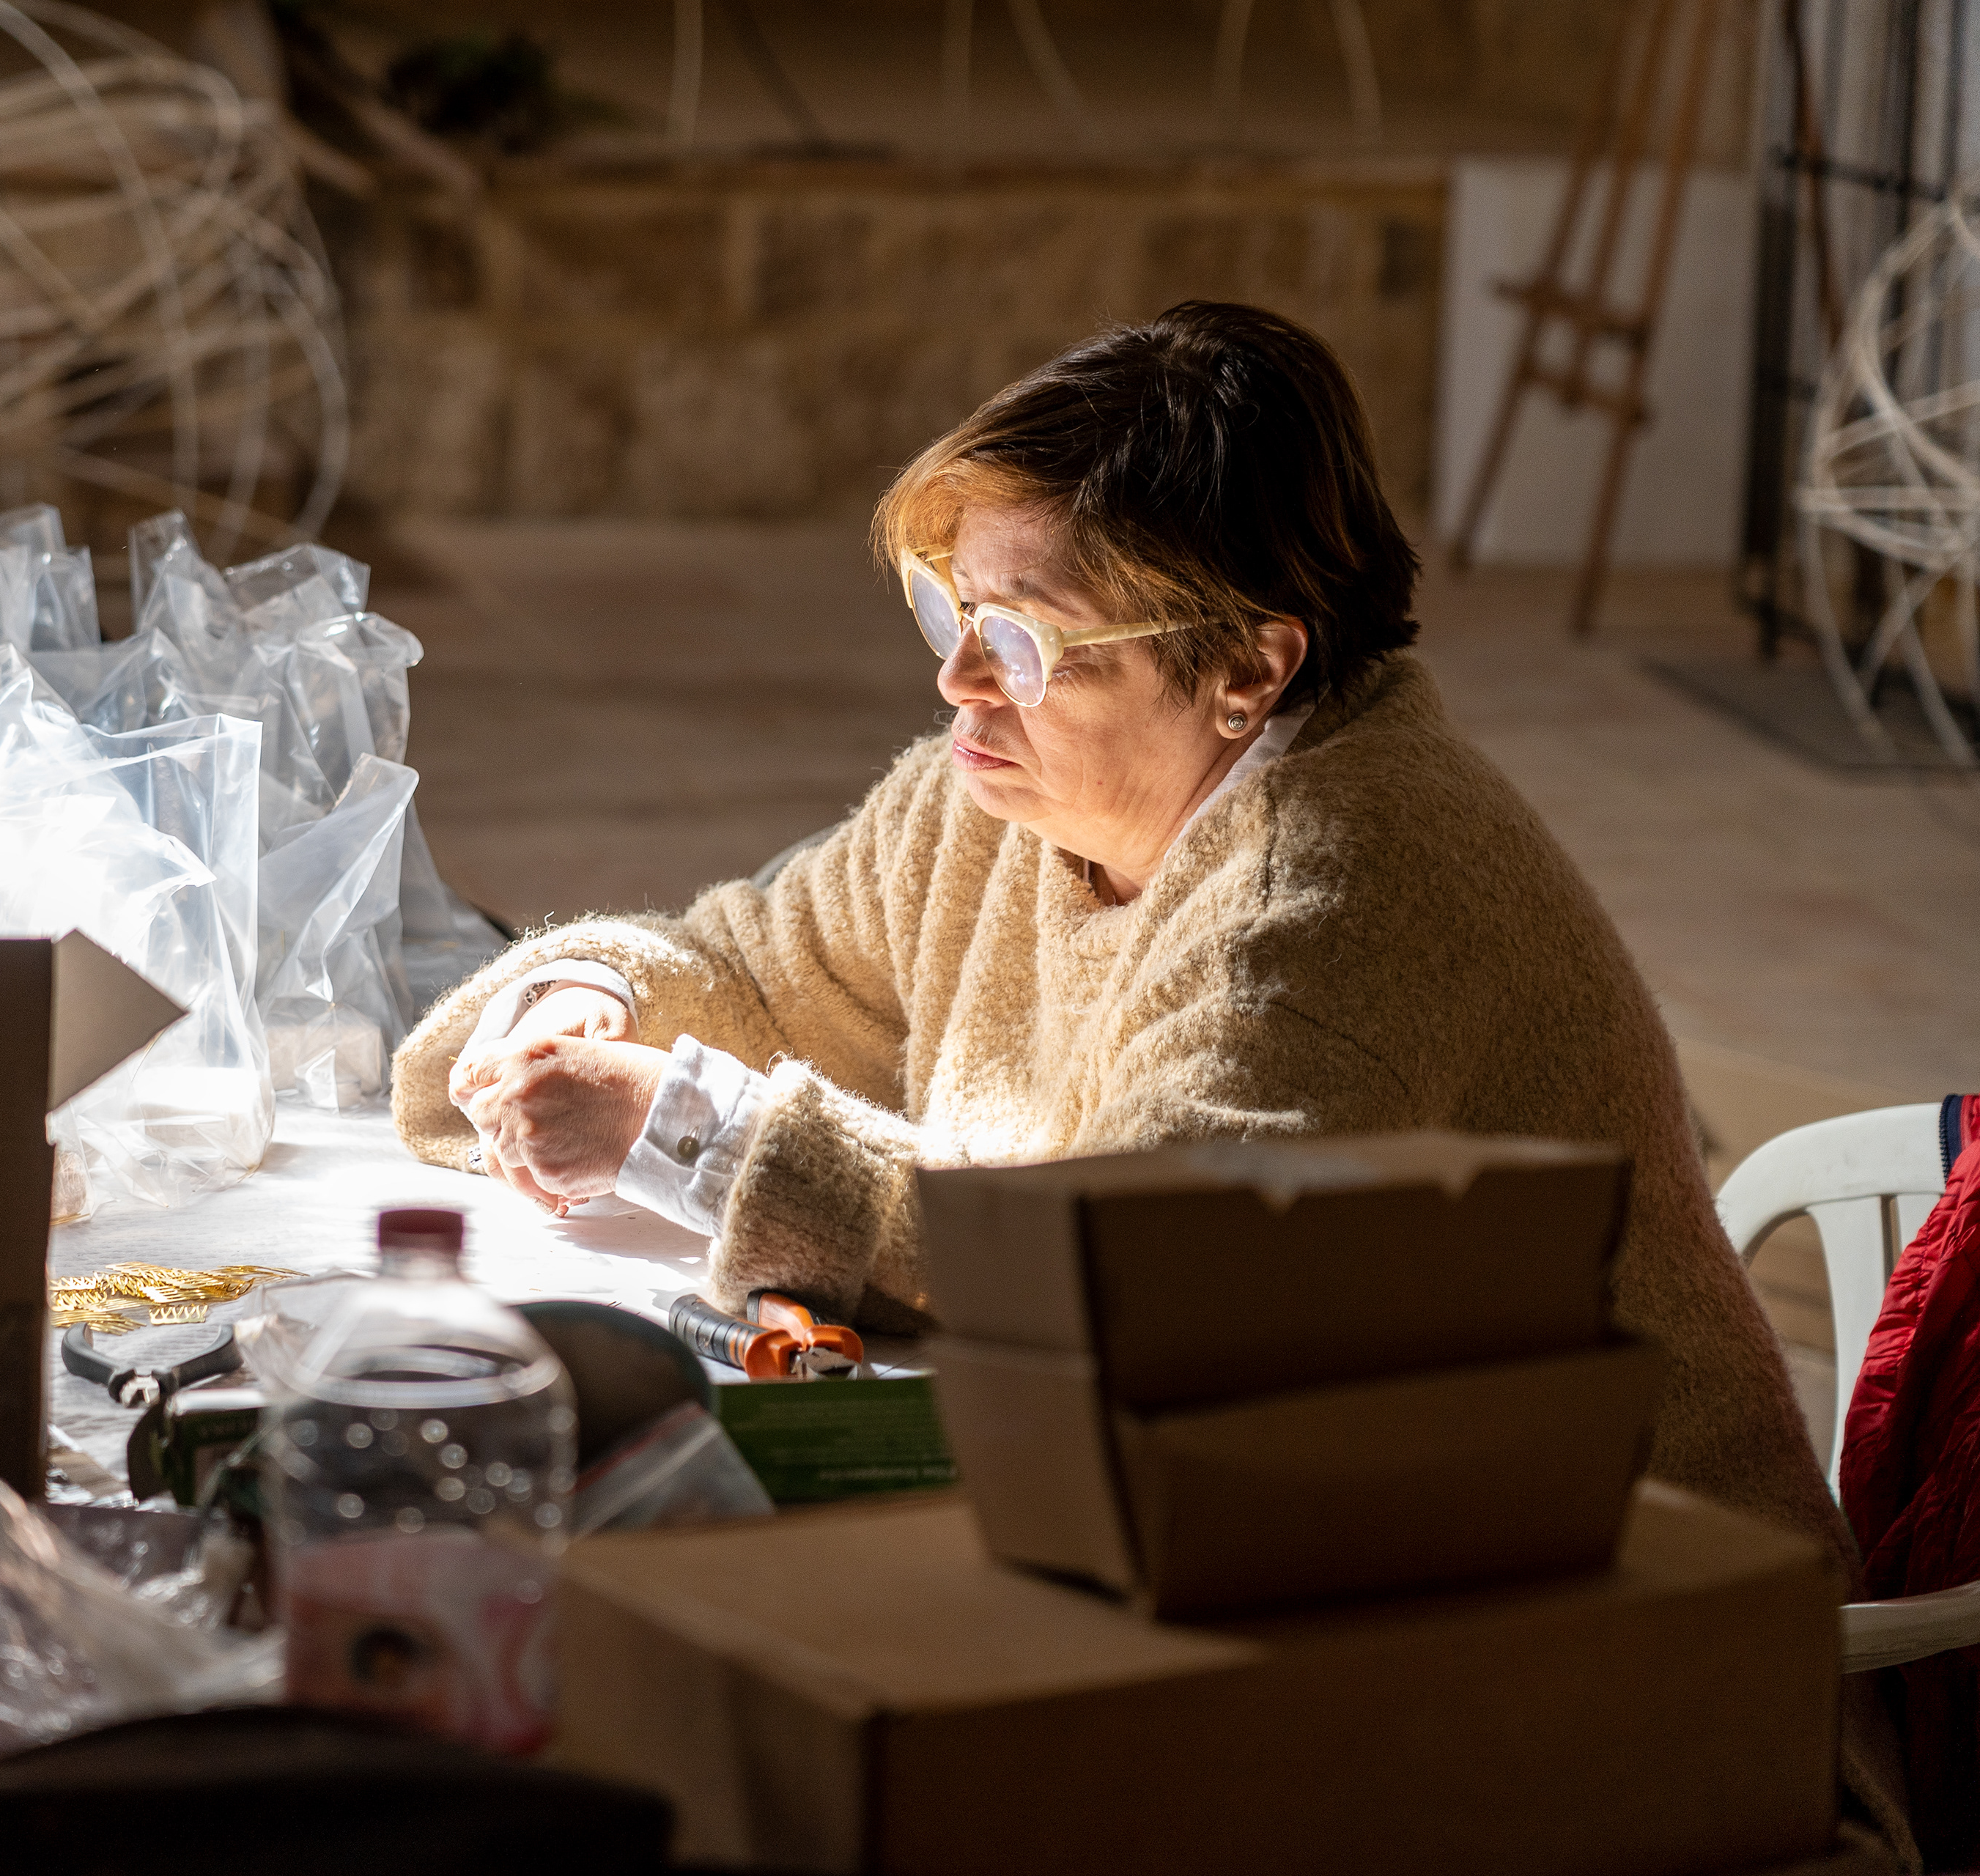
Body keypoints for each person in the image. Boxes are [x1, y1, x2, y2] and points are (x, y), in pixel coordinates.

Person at [392, 300, 1910, 1866]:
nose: (961, 681)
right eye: (950, 607)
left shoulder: (1326, 906)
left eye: (1025, 639)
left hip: (1620, 1694)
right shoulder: (1006, 796)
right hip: (1321, 1592)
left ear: (1249, 666)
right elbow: (752, 962)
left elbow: (1122, 1282)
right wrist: (583, 997)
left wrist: (696, 1132)